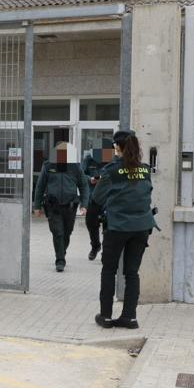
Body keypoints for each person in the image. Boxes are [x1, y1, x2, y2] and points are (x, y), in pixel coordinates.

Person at [94, 129, 156, 330]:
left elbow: (96, 201)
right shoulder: (145, 170)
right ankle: (130, 317)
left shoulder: (111, 171)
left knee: (109, 270)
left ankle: (106, 316)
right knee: (132, 272)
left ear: (117, 147)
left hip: (118, 227)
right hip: (142, 227)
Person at [33, 141, 88, 272]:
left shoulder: (75, 167)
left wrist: (84, 204)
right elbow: (40, 187)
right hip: (53, 206)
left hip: (70, 206)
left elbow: (84, 186)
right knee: (58, 232)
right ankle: (60, 260)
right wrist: (37, 206)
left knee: (67, 233)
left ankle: (61, 251)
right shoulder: (48, 166)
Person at [83, 138, 115, 261]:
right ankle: (95, 246)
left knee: (108, 224)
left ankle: (106, 251)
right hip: (93, 197)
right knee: (91, 222)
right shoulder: (88, 160)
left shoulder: (112, 161)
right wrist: (90, 179)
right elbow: (81, 174)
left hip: (107, 198)